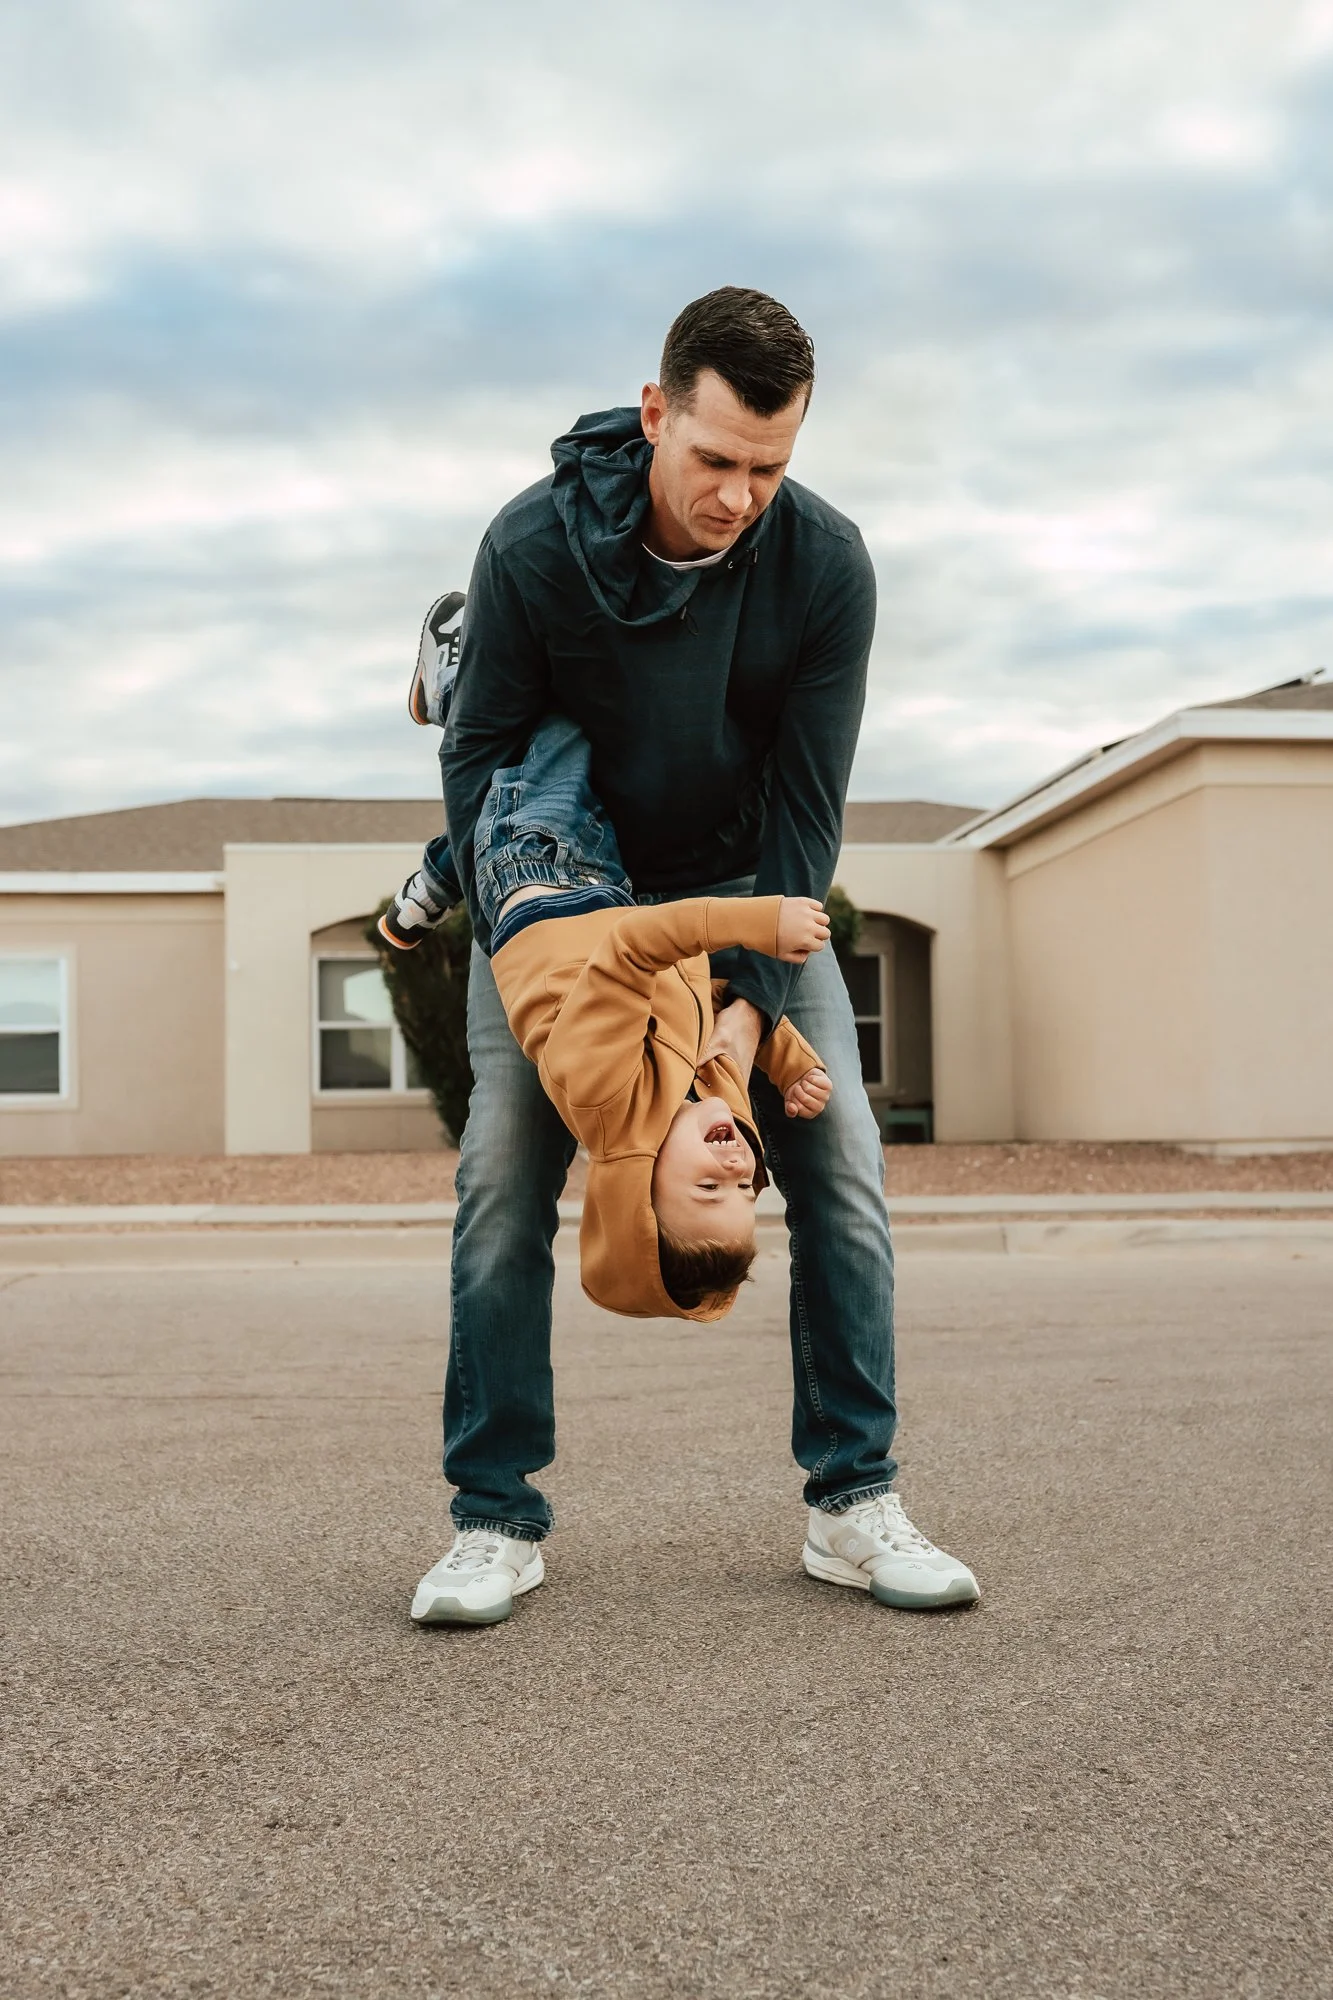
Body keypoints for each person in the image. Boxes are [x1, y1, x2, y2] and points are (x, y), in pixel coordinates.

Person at [410, 286, 980, 1626]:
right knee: (502, 1178)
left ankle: (852, 1500)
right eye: (713, 460)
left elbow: (804, 822)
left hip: (745, 886)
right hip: (568, 892)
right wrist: (537, 958)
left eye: (767, 469)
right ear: (656, 414)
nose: (737, 497)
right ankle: (493, 1518)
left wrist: (741, 1023)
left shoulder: (826, 566)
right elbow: (479, 760)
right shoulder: (534, 546)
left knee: (840, 1163)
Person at [379, 707, 835, 1337]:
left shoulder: (605, 1092)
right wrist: (791, 1068)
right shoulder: (707, 1104)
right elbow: (710, 998)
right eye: (745, 1197)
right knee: (604, 772)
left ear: (638, 1190)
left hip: (541, 877)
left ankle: (457, 683)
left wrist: (759, 922)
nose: (737, 1174)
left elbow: (635, 948)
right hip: (606, 888)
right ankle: (441, 872)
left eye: (709, 1190)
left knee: (561, 724)